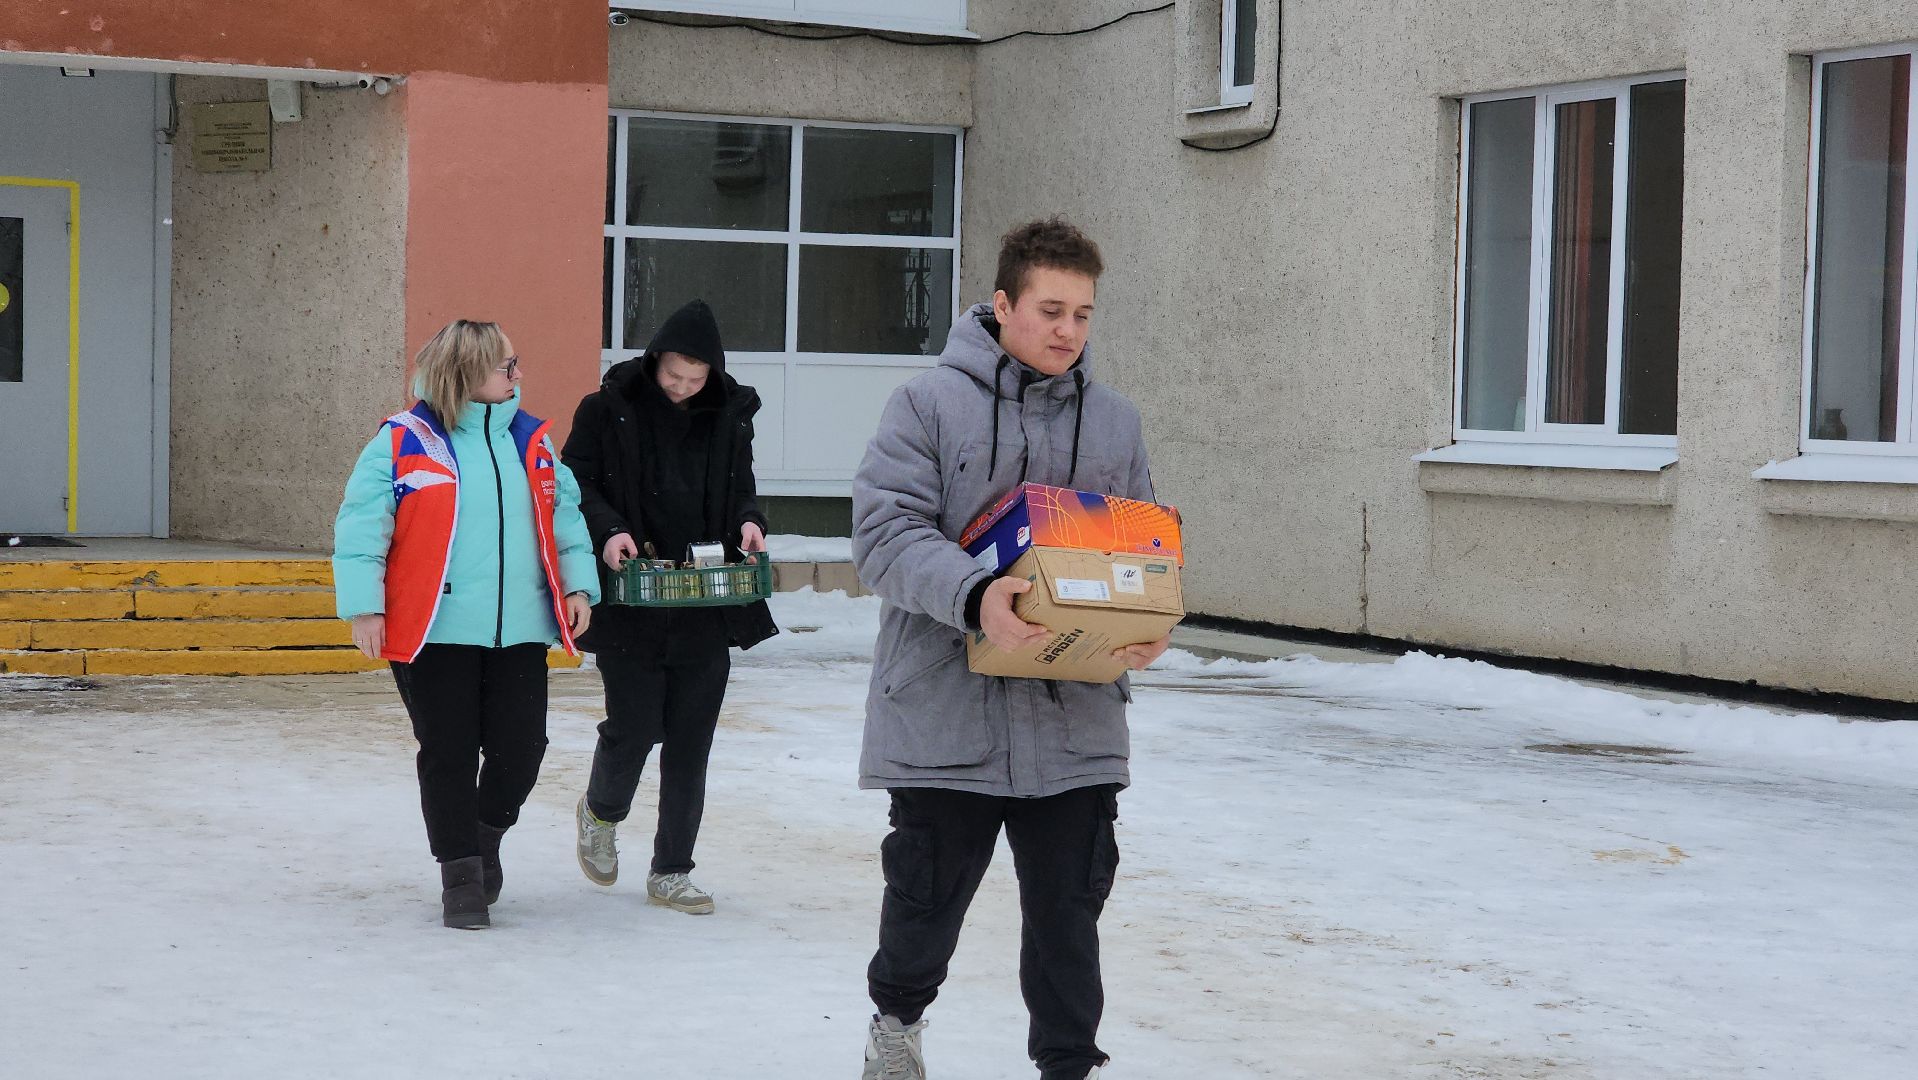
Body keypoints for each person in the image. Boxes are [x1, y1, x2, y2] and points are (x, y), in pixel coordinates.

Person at [851, 218, 1170, 1080]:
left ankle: (1068, 1067)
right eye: (1051, 310)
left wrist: (1148, 618)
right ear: (1002, 304)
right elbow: (883, 536)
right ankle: (897, 1025)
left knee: (1070, 915)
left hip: (1074, 718)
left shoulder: (1115, 421)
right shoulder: (927, 405)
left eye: (1083, 314)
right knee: (925, 903)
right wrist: (973, 596)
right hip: (945, 710)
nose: (1069, 331)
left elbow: (1140, 547)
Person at [333, 319, 599, 930]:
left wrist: (578, 586)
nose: (518, 374)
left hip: (520, 629)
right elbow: (361, 527)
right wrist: (365, 607)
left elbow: (566, 519)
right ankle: (460, 874)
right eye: (507, 366)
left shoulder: (532, 442)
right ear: (467, 372)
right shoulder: (405, 441)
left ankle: (485, 836)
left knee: (522, 750)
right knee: (449, 752)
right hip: (435, 630)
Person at [561, 298, 778, 915]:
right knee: (634, 728)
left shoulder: (729, 415)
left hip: (703, 599)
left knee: (690, 741)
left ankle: (672, 870)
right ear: (654, 361)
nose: (682, 389)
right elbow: (576, 484)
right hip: (631, 596)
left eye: (695, 379)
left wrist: (750, 522)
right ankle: (600, 813)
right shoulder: (606, 409)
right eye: (673, 376)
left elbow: (741, 488)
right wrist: (609, 531)